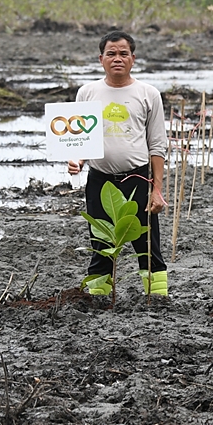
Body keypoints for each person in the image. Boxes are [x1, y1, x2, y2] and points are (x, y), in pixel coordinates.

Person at [68, 30, 169, 297]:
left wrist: (156, 190)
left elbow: (157, 146)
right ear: (101, 59)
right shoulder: (87, 93)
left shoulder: (148, 94)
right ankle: (98, 299)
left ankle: (156, 300)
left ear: (133, 59)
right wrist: (77, 161)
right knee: (101, 242)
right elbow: (79, 139)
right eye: (111, 53)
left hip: (137, 179)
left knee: (147, 244)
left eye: (123, 53)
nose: (117, 58)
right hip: (99, 179)